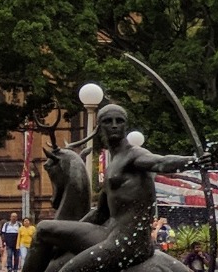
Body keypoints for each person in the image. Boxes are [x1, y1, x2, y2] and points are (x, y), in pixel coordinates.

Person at [19, 102, 198, 272]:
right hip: (110, 234)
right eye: (108, 121)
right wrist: (65, 236)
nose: (114, 125)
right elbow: (100, 213)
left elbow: (161, 162)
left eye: (119, 121)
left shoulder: (134, 155)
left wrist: (194, 161)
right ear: (99, 127)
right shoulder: (112, 164)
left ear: (125, 126)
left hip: (129, 243)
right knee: (43, 229)